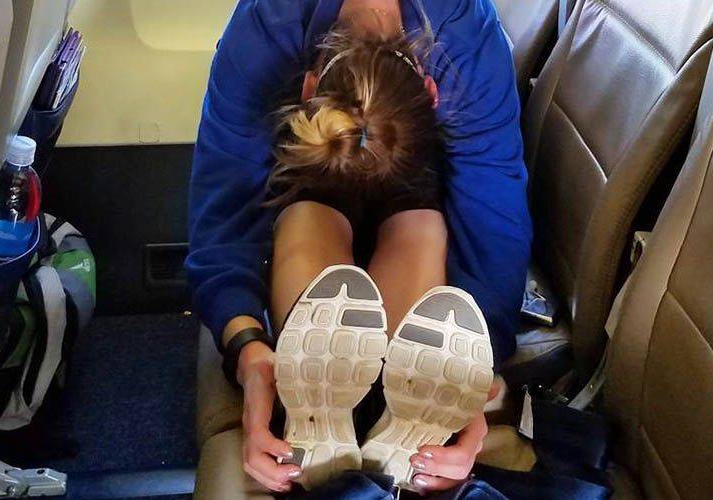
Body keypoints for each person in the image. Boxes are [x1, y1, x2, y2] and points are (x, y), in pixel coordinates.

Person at [187, 0, 532, 495]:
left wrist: (473, 376)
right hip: (390, 198)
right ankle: (391, 416)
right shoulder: (269, 27)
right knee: (419, 230)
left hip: (340, 193)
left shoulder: (465, 34)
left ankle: (323, 416)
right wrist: (246, 348)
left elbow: (224, 197)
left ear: (308, 89)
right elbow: (495, 218)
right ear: (432, 93)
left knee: (308, 221)